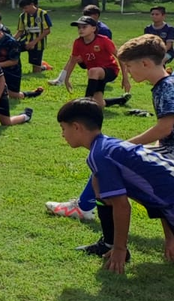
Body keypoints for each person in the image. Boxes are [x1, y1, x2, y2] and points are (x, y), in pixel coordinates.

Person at [55, 98, 174, 273]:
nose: (63, 134)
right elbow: (160, 190)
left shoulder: (101, 155)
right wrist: (170, 238)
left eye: (63, 129)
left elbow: (122, 206)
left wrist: (120, 249)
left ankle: (113, 245)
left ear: (76, 127)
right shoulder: (107, 146)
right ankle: (108, 243)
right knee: (98, 183)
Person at [50, 16, 131, 108]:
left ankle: (85, 103)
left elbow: (121, 57)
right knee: (99, 104)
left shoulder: (103, 40)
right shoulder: (78, 42)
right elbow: (73, 61)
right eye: (79, 27)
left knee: (93, 71)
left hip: (110, 70)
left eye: (84, 27)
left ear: (93, 28)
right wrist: (66, 79)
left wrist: (125, 79)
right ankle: (120, 100)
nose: (81, 30)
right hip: (95, 75)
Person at [117, 34, 174, 155]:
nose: (127, 71)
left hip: (171, 152)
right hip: (167, 148)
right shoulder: (167, 83)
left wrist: (124, 146)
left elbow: (164, 129)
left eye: (128, 66)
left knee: (116, 157)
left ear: (144, 63)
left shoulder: (166, 88)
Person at [0, 17, 43, 101]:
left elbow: (14, 61)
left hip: (11, 72)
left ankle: (29, 94)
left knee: (9, 94)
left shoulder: (11, 42)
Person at [15, 0, 53, 74]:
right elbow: (20, 31)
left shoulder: (43, 14)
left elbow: (47, 31)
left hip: (38, 43)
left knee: (35, 71)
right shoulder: (22, 16)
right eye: (23, 9)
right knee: (13, 49)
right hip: (26, 41)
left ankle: (44, 67)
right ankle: (16, 69)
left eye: (26, 8)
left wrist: (34, 42)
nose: (24, 10)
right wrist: (11, 40)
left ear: (32, 4)